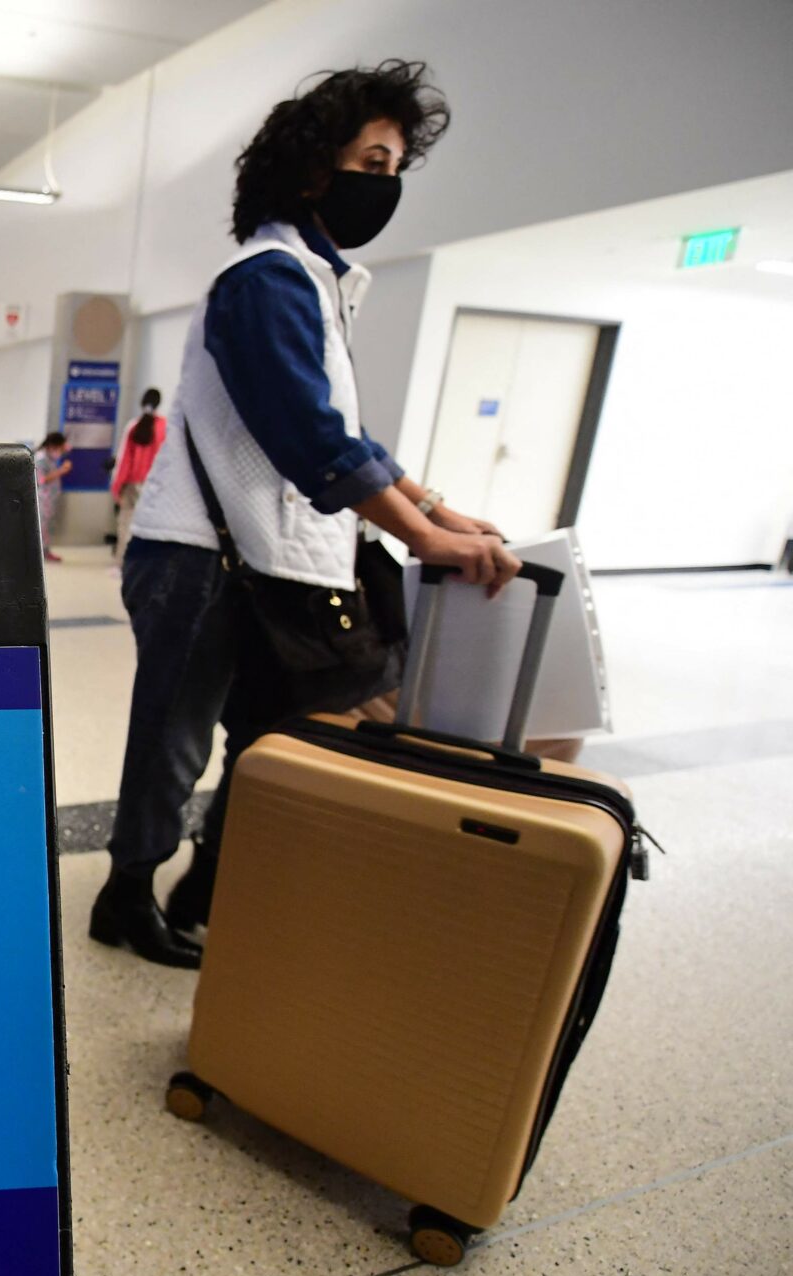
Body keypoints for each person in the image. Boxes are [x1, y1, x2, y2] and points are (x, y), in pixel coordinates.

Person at [87, 60, 520, 969]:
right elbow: (308, 433)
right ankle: (127, 895)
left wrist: (440, 509)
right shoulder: (266, 280)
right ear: (312, 166)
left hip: (270, 556)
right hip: (201, 555)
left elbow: (355, 436)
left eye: (397, 165)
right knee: (177, 734)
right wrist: (423, 536)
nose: (388, 183)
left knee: (266, 735)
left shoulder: (319, 283)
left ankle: (206, 887)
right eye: (373, 159)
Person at [110, 388, 164, 566]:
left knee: (126, 526)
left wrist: (116, 487)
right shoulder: (165, 426)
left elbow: (124, 459)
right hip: (157, 486)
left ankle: (123, 565)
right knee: (152, 528)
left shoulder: (134, 426)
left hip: (133, 485)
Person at [35, 432, 72, 562]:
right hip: (43, 498)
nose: (61, 451)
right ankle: (41, 553)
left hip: (49, 498)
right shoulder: (41, 459)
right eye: (60, 448)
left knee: (47, 527)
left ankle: (45, 551)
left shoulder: (50, 458)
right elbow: (42, 480)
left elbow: (68, 448)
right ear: (52, 446)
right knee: (42, 527)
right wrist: (61, 471)